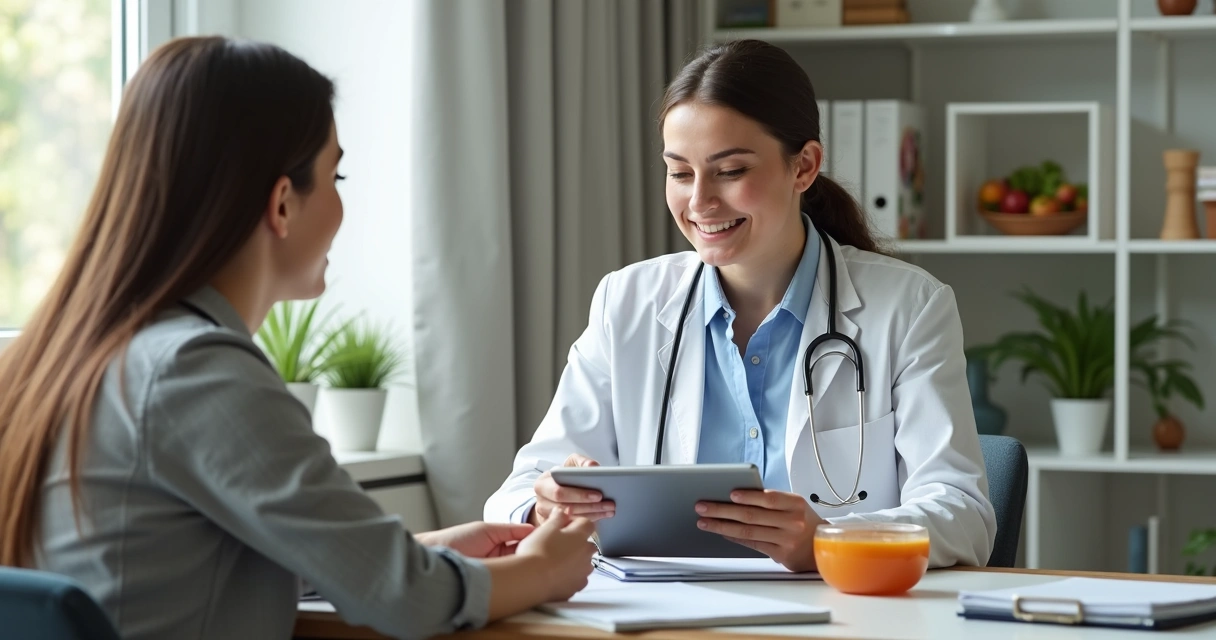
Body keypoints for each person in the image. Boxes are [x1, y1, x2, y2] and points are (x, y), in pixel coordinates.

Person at [0, 36, 596, 640]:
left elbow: (201, 562)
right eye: (334, 175)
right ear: (282, 204)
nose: (342, 205)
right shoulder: (194, 370)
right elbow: (406, 599)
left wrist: (428, 551)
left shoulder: (59, 360)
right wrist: (545, 571)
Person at [484, 39, 996, 571]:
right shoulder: (626, 303)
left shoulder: (909, 306)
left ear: (804, 167)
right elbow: (519, 490)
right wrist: (544, 505)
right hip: (666, 615)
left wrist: (828, 541)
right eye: (680, 173)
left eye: (730, 172)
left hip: (838, 614)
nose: (700, 201)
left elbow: (964, 515)